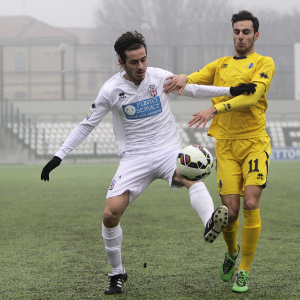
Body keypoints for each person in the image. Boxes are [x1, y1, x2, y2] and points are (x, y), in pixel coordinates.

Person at [41, 30, 256, 295]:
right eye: (134, 62)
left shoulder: (158, 77)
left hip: (167, 150)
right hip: (134, 157)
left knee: (192, 177)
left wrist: (232, 90)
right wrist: (58, 156)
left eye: (143, 59)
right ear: (121, 63)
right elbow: (87, 124)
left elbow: (195, 89)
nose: (141, 66)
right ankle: (117, 273)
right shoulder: (111, 90)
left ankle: (210, 222)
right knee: (110, 215)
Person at [163, 10, 275, 293]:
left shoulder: (264, 62)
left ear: (255, 35)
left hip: (254, 143)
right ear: (233, 34)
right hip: (225, 145)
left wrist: (214, 108)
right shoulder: (221, 64)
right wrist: (180, 78)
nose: (241, 36)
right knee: (230, 212)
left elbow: (252, 96)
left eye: (246, 32)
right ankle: (231, 251)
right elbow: (194, 79)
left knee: (251, 203)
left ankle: (244, 270)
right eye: (237, 31)